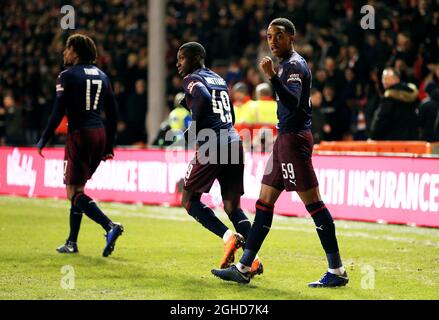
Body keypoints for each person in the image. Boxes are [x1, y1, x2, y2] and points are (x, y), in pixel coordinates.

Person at [212, 18, 349, 287]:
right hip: (283, 140)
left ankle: (337, 270)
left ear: (291, 38)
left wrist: (273, 77)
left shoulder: (294, 65)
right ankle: (243, 267)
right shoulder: (288, 65)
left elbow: (295, 103)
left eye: (278, 36)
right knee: (264, 202)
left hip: (294, 141)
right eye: (269, 36)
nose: (272, 41)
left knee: (314, 205)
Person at [176, 42, 262, 276]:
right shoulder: (218, 79)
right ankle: (252, 260)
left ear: (195, 58)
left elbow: (202, 98)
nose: (178, 63)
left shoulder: (192, 78)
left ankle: (228, 237)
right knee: (233, 206)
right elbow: (230, 113)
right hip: (234, 142)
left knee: (189, 199)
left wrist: (193, 130)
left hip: (212, 145)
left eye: (182, 58)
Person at [36, 34, 124, 257]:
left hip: (79, 135)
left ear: (75, 51)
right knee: (79, 190)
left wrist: (43, 139)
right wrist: (109, 146)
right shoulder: (103, 76)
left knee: (72, 193)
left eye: (67, 48)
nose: (64, 53)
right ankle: (72, 242)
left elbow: (57, 113)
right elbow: (113, 114)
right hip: (100, 134)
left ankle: (109, 226)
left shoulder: (67, 75)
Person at [370, 68, 419, 140]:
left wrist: (373, 136)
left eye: (386, 78)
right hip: (412, 139)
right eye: (383, 78)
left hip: (394, 142)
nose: (384, 81)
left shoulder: (389, 97)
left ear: (396, 79)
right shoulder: (412, 94)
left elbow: (380, 121)